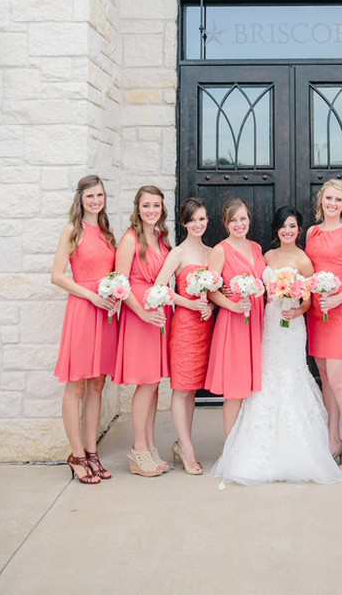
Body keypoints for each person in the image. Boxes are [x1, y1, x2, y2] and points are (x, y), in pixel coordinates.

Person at [211, 206, 342, 485]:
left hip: (292, 325)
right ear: (277, 229)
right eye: (283, 226)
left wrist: (298, 309)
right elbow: (249, 280)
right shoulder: (266, 255)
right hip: (268, 323)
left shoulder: (304, 260)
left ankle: (303, 445)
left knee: (291, 374)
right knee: (266, 374)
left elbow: (308, 299)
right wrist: (227, 289)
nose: (288, 231)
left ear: (299, 229)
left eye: (293, 226)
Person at [52, 174, 118, 484]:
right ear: (81, 199)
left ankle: (92, 452)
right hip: (82, 310)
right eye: (90, 196)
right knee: (76, 384)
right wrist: (91, 295)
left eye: (100, 195)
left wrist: (115, 296)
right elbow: (57, 275)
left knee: (97, 384)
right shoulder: (72, 230)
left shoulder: (107, 232)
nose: (95, 201)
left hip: (105, 314)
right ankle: (76, 455)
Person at [305, 179, 342, 474]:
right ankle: (333, 440)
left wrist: (339, 297)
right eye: (328, 198)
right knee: (326, 379)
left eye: (338, 200)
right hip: (317, 312)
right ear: (321, 200)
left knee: (340, 382)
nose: (332, 203)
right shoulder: (312, 232)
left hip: (341, 311)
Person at [113, 185, 171, 477]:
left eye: (156, 206)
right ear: (138, 208)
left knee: (154, 383)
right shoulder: (129, 239)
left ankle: (149, 447)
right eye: (146, 205)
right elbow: (120, 284)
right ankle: (137, 450)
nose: (151, 211)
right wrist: (144, 313)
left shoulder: (161, 238)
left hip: (158, 315)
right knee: (145, 382)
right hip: (140, 316)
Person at [153, 197, 214, 475]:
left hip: (207, 326)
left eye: (202, 219)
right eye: (192, 219)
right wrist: (188, 303)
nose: (198, 224)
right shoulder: (177, 253)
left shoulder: (213, 253)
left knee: (193, 390)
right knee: (181, 388)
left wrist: (210, 305)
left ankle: (182, 442)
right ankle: (187, 449)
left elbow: (216, 291)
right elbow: (159, 289)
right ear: (184, 222)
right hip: (186, 326)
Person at [204, 199, 265, 437]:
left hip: (257, 318)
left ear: (249, 219)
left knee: (252, 386)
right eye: (233, 220)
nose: (239, 224)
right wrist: (232, 305)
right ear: (226, 224)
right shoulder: (221, 250)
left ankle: (250, 440)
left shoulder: (257, 248)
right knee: (235, 387)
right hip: (234, 321)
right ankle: (231, 446)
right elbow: (211, 289)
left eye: (243, 218)